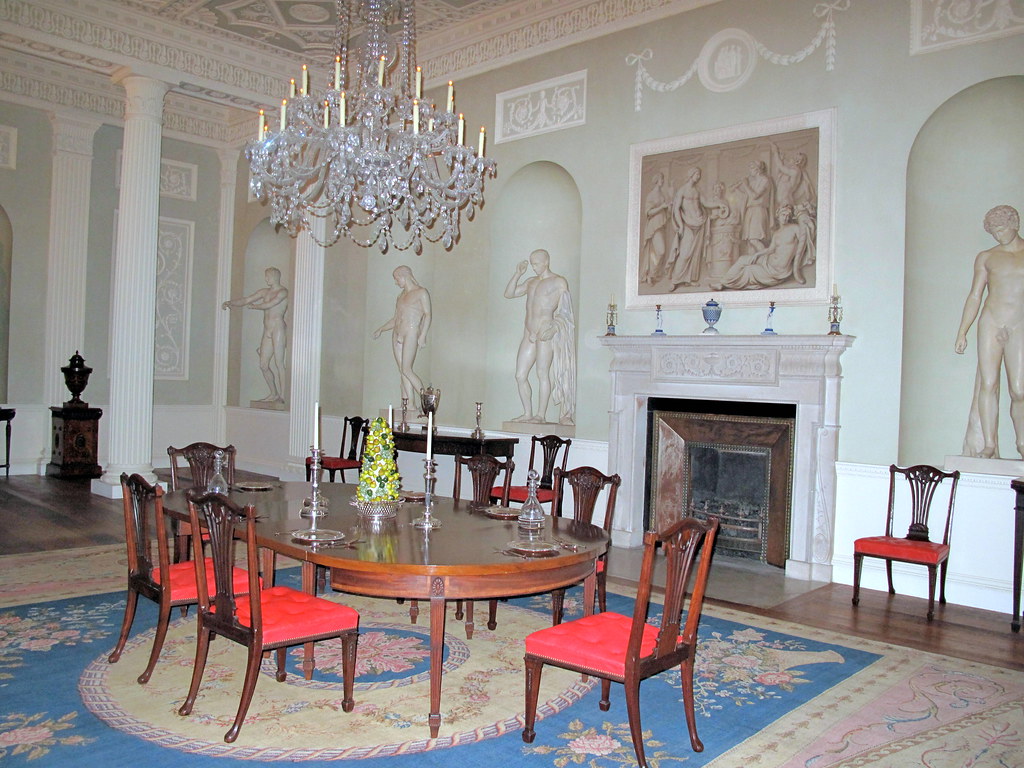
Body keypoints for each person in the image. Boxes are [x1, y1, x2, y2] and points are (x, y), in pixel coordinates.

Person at [954, 204, 1024, 460]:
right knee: (989, 383)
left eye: (1002, 228)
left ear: (1014, 223)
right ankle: (990, 444)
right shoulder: (986, 257)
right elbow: (975, 296)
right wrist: (963, 331)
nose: (998, 234)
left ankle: (1022, 442)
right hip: (991, 321)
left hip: (1020, 324)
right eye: (993, 230)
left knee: (1019, 390)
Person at [504, 249, 576, 425]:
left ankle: (540, 414)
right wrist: (517, 273)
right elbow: (509, 293)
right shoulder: (531, 282)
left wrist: (555, 327)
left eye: (536, 263)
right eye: (532, 263)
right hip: (529, 333)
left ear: (546, 262)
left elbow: (566, 311)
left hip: (544, 334)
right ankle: (527, 413)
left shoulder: (558, 282)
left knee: (542, 373)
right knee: (520, 375)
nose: (534, 267)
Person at [222, 266, 289, 403]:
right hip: (267, 330)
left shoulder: (283, 292)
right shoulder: (264, 292)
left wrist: (256, 306)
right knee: (263, 364)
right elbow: (247, 300)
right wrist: (231, 303)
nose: (266, 279)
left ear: (275, 276)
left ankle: (283, 395)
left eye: (268, 276)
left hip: (278, 328)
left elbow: (270, 304)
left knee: (279, 363)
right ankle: (274, 394)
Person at [373, 265, 431, 407]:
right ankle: (409, 404)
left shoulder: (421, 292)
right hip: (397, 334)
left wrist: (423, 335)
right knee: (402, 371)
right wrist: (381, 329)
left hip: (411, 332)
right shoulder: (400, 296)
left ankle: (428, 403)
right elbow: (395, 319)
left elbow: (428, 314)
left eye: (397, 279)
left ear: (404, 276)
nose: (396, 282)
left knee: (407, 369)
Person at [711, 204, 803, 290]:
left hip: (777, 270)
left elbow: (803, 243)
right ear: (778, 216)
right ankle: (722, 283)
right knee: (743, 259)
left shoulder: (795, 228)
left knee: (748, 270)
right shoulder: (777, 233)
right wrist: (757, 255)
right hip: (769, 261)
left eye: (788, 216)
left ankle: (725, 284)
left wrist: (796, 270)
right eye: (783, 215)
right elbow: (770, 250)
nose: (785, 218)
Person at [667, 167, 710, 288]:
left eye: (700, 174)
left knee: (695, 253)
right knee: (685, 253)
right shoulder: (682, 190)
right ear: (691, 174)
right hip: (687, 224)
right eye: (697, 174)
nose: (699, 176)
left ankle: (690, 279)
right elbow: (676, 209)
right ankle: (675, 280)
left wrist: (720, 204)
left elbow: (705, 203)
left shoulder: (697, 191)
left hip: (699, 222)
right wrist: (680, 225)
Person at [731, 159, 774, 254]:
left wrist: (745, 185)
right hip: (750, 211)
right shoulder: (753, 182)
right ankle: (753, 265)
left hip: (758, 210)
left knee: (754, 239)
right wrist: (736, 189)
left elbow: (754, 196)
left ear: (757, 169)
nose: (749, 171)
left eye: (751, 168)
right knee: (750, 242)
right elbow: (746, 197)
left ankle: (767, 258)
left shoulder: (765, 180)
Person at [640, 171, 671, 285]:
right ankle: (650, 274)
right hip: (654, 226)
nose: (662, 181)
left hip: (661, 225)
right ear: (657, 180)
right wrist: (662, 207)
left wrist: (668, 207)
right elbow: (648, 212)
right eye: (661, 179)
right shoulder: (651, 195)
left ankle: (653, 274)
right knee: (660, 251)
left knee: (660, 251)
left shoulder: (662, 195)